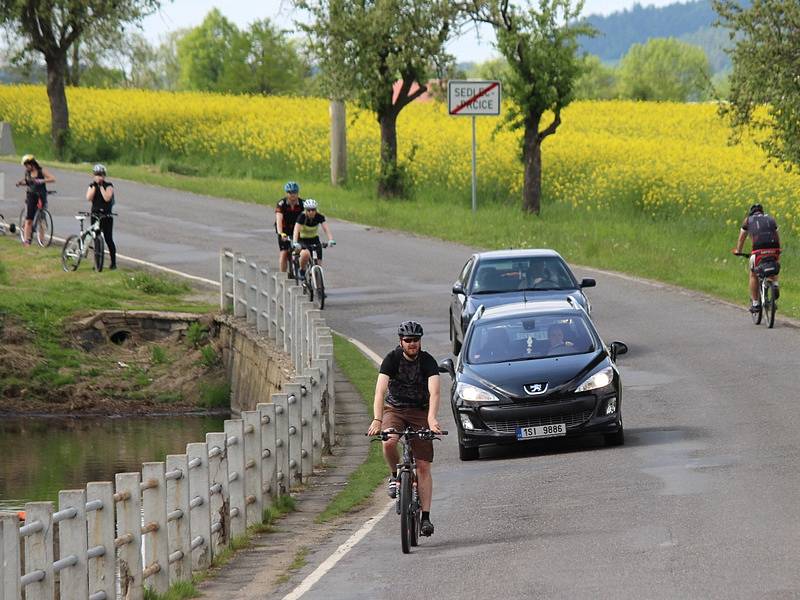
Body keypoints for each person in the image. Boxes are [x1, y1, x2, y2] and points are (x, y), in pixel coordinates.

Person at [367, 321, 442, 537]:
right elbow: (380, 392)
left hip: (420, 411)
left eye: (416, 340)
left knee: (423, 465)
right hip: (395, 409)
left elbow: (435, 392)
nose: (412, 344)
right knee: (389, 440)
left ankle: (426, 517)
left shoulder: (428, 361)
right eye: (408, 340)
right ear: (401, 341)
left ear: (420, 341)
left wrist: (432, 419)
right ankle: (394, 476)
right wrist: (377, 419)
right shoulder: (391, 359)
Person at [732, 203, 781, 313]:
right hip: (774, 248)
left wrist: (738, 251)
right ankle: (775, 285)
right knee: (774, 263)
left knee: (753, 274)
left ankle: (755, 304)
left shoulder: (748, 220)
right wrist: (777, 250)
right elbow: (777, 237)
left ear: (751, 213)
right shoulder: (771, 219)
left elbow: (741, 239)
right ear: (762, 212)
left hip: (758, 250)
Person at [16, 154, 55, 247]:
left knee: (42, 219)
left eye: (27, 165)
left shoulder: (41, 171)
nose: (26, 167)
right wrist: (21, 183)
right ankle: (26, 241)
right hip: (31, 196)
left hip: (41, 196)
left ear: (32, 164)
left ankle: (41, 241)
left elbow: (52, 179)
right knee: (29, 219)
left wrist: (42, 181)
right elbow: (28, 181)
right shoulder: (27, 173)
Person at [291, 199, 335, 278]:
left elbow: (326, 229)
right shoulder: (302, 217)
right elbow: (296, 230)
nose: (311, 212)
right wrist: (295, 242)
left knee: (318, 263)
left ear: (316, 210)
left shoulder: (319, 216)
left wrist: (331, 239)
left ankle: (317, 284)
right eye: (309, 210)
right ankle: (302, 270)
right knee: (305, 254)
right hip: (303, 240)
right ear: (306, 210)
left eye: (313, 210)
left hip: (314, 239)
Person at [85, 164, 117, 270]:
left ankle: (113, 263)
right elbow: (88, 198)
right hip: (95, 215)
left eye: (101, 175)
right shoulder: (91, 185)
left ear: (104, 176)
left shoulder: (109, 186)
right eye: (97, 174)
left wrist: (101, 187)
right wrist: (95, 186)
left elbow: (107, 198)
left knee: (108, 239)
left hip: (106, 216)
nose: (99, 177)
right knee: (96, 239)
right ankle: (97, 263)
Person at [275, 181, 304, 273]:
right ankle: (282, 277)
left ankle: (303, 269)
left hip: (298, 229)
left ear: (298, 193)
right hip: (285, 230)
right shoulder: (281, 204)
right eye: (290, 193)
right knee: (284, 253)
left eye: (294, 192)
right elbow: (279, 219)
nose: (292, 195)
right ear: (286, 193)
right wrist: (281, 233)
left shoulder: (303, 203)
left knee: (302, 250)